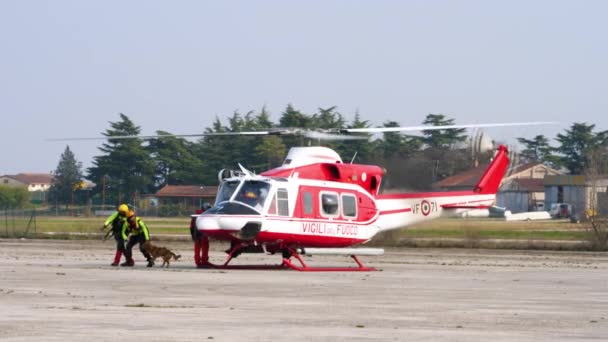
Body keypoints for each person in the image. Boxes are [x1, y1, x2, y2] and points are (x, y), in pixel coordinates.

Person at [190, 203, 211, 268]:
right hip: (203, 234)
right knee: (205, 248)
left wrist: (193, 235)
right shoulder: (205, 215)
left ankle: (198, 262)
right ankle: (204, 262)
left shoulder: (195, 215)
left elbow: (191, 226)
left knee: (197, 249)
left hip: (196, 234)